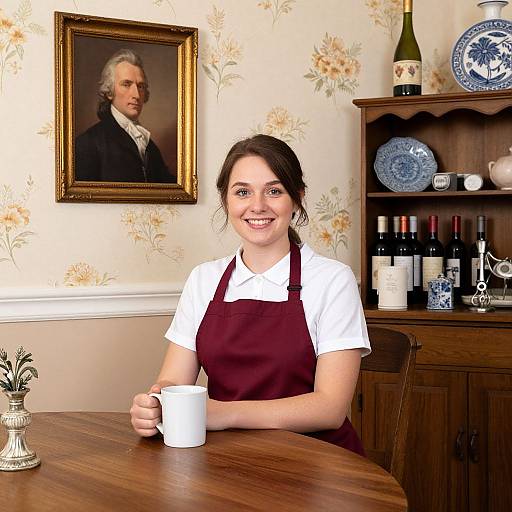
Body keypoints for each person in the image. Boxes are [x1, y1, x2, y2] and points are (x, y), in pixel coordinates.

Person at [130, 134, 370, 454]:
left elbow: (329, 407)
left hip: (318, 463)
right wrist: (156, 404)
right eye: (243, 192)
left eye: (274, 191)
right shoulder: (204, 279)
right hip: (227, 459)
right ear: (226, 200)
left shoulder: (332, 280)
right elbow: (173, 380)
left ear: (296, 198)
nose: (257, 206)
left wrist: (222, 413)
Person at [75, 49, 175, 183]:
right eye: (126, 84)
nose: (136, 95)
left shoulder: (150, 146)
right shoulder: (88, 143)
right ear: (109, 92)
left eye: (140, 86)